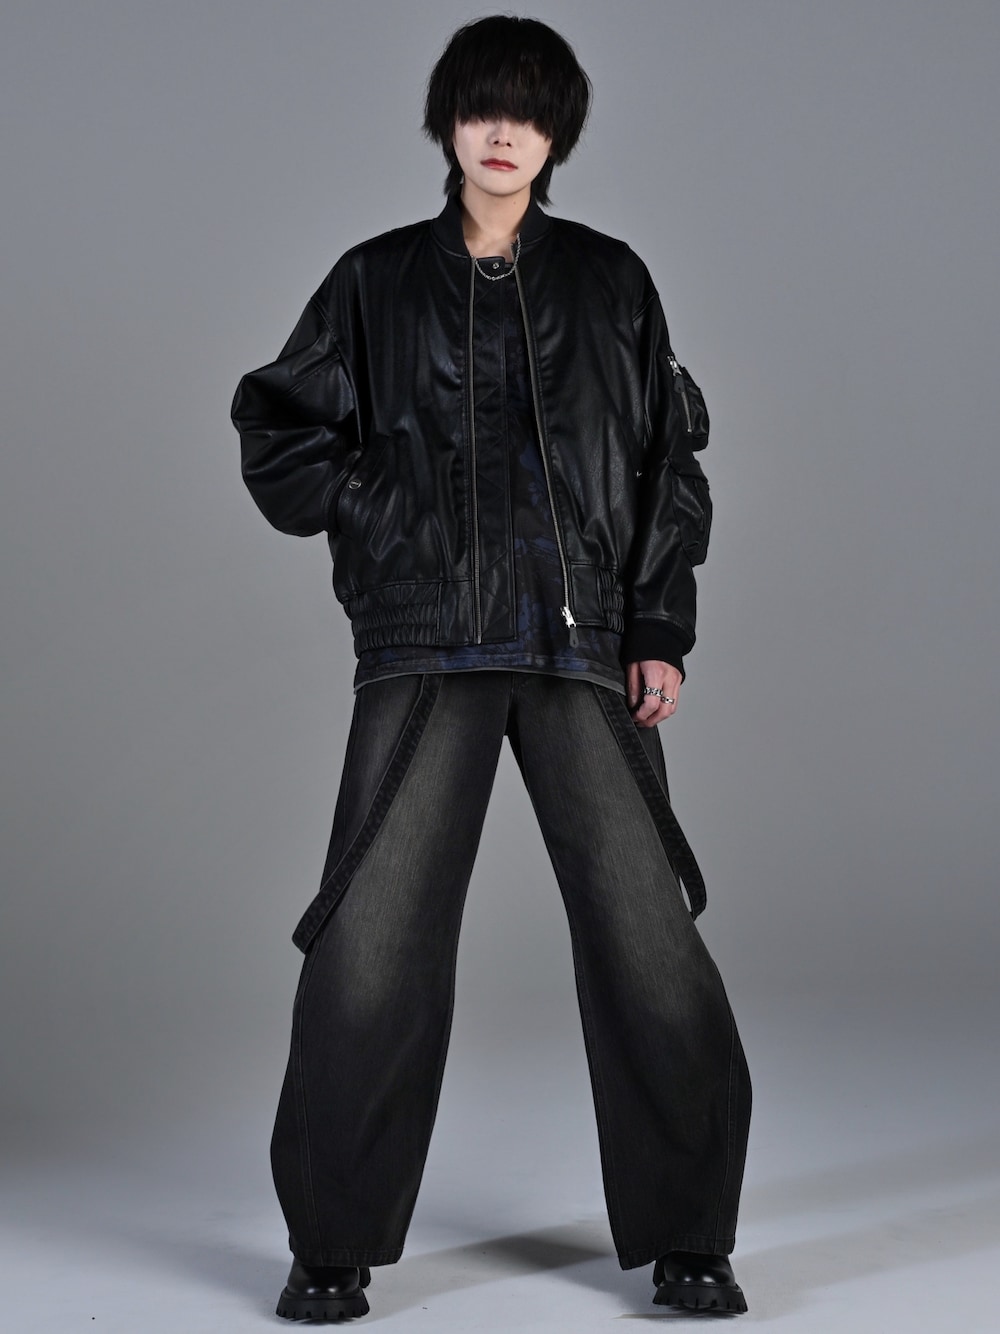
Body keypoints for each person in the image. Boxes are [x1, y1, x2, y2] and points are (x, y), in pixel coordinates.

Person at [231, 14, 751, 1321]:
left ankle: (691, 1236)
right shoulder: (373, 283)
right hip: (425, 644)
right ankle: (331, 1244)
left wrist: (657, 630)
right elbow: (280, 429)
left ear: (558, 132)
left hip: (583, 653)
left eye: (527, 111)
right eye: (481, 109)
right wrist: (382, 519)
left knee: (649, 943)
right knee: (370, 947)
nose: (503, 133)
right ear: (448, 126)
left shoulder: (613, 282)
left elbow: (667, 466)